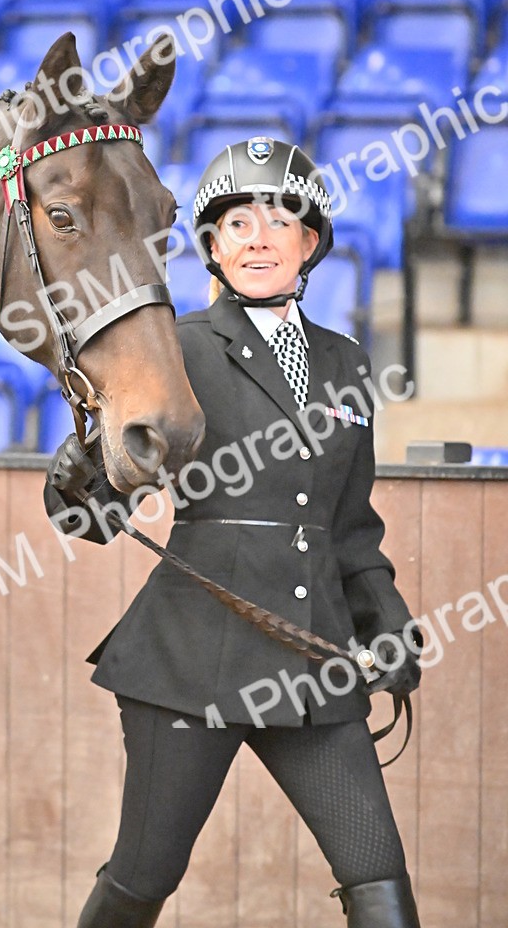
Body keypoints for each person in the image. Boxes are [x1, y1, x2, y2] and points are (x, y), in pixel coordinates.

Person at [44, 138, 423, 928]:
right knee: (144, 877)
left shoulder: (349, 364)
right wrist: (83, 486)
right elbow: (101, 502)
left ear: (309, 242)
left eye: (279, 220)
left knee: (379, 877)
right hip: (187, 666)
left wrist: (386, 621)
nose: (258, 237)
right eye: (237, 223)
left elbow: (350, 528)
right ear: (212, 247)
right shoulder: (173, 348)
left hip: (311, 661)